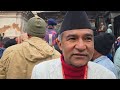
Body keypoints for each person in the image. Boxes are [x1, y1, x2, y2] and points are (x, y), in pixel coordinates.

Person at [31, 11, 116, 79]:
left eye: (87, 38)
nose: (81, 46)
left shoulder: (107, 76)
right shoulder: (41, 73)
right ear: (60, 44)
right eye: (72, 38)